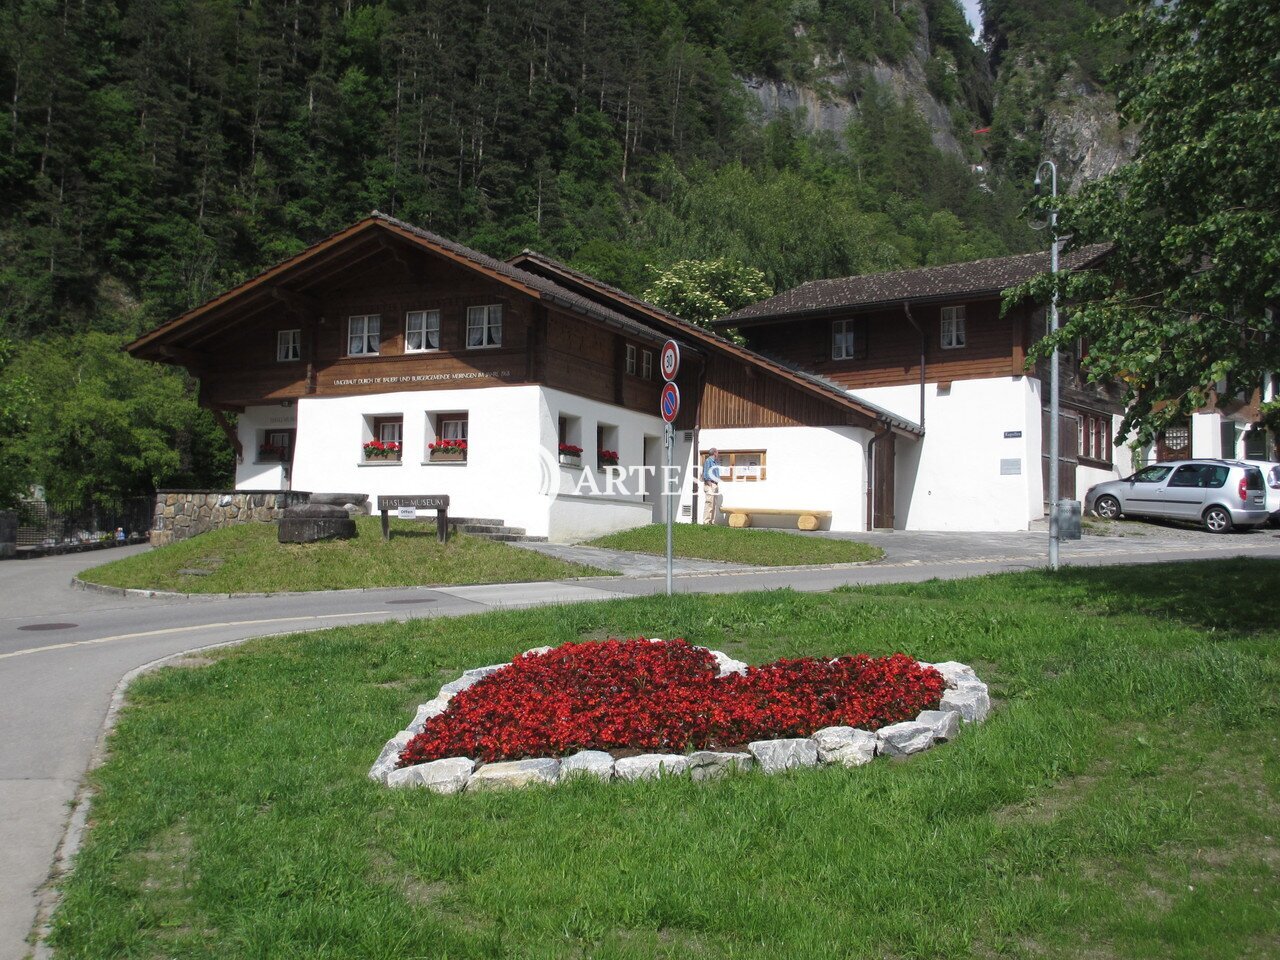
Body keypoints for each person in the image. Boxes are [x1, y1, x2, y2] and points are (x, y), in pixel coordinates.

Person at [702, 448, 721, 524]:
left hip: (714, 484)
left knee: (714, 504)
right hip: (710, 484)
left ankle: (712, 522)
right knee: (709, 503)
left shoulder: (714, 462)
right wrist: (709, 483)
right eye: (717, 452)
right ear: (715, 453)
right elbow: (706, 473)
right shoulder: (708, 461)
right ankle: (706, 522)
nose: (718, 454)